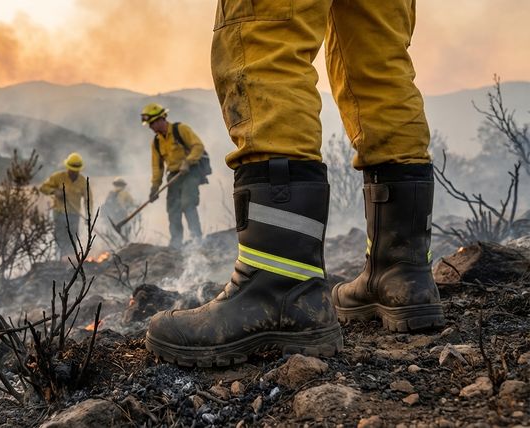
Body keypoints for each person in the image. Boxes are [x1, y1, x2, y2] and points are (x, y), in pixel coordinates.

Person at [146, 1, 444, 366]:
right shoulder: (157, 141)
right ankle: (403, 274)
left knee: (264, 33)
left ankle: (279, 287)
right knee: (377, 59)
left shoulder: (178, 132)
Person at [141, 103, 205, 248]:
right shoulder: (156, 142)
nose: (150, 127)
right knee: (173, 209)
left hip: (190, 172)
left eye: (151, 124)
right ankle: (176, 243)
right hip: (174, 176)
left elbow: (198, 146)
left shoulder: (180, 129)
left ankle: (197, 240)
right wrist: (154, 187)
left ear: (159, 120)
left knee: (188, 204)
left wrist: (188, 162)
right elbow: (157, 167)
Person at [39, 153, 93, 259]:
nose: (73, 172)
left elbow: (88, 200)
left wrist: (88, 216)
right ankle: (59, 261)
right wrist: (55, 191)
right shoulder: (58, 177)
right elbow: (43, 188)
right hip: (59, 214)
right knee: (60, 239)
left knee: (72, 239)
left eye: (75, 170)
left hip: (74, 215)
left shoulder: (83, 182)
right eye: (71, 169)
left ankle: (70, 262)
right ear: (67, 167)